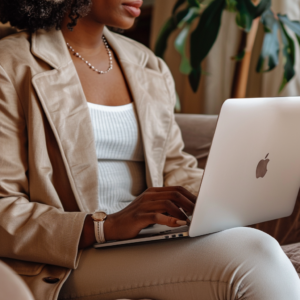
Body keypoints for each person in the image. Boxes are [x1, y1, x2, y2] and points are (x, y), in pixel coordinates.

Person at [0, 0, 299, 299]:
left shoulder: (147, 64)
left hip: (147, 240)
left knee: (250, 245)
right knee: (251, 258)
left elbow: (174, 167)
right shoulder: (10, 65)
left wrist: (222, 196)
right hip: (67, 258)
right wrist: (106, 226)